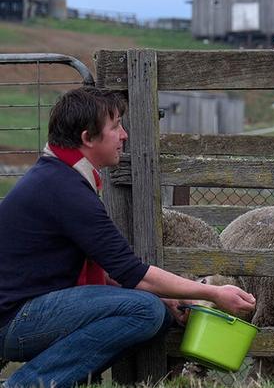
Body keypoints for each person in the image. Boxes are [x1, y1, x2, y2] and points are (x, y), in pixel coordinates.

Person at [0, 87, 256, 388]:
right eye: (116, 126)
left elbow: (113, 272)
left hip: (24, 312)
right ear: (87, 138)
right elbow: (132, 273)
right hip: (15, 321)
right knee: (144, 310)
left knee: (156, 313)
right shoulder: (65, 189)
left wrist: (168, 297)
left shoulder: (59, 177)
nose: (124, 135)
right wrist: (210, 293)